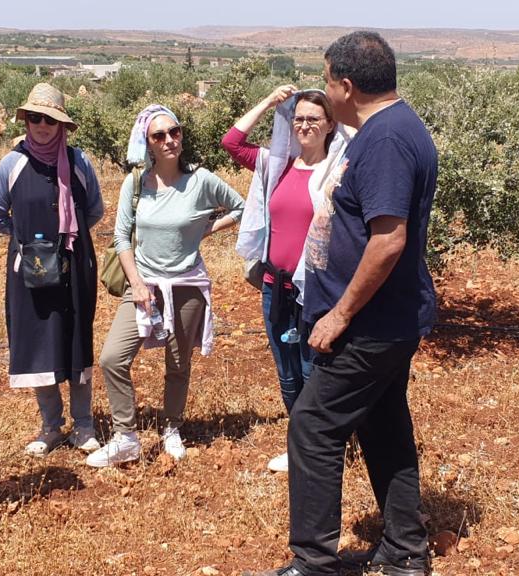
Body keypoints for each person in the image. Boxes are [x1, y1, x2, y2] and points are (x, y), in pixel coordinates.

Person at [246, 31, 438, 576]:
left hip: (371, 323)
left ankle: (313, 562)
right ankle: (404, 552)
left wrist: (341, 313)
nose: (325, 92)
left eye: (328, 80)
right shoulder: (395, 129)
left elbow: (388, 239)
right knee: (382, 426)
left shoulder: (385, 141)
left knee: (313, 425)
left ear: (347, 86)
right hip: (390, 316)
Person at [86, 104, 245, 467]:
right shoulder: (135, 183)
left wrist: (209, 228)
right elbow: (122, 237)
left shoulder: (201, 180)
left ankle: (171, 428)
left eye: (175, 132)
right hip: (145, 284)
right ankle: (125, 436)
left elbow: (240, 206)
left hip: (187, 284)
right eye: (160, 135)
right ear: (148, 142)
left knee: (178, 363)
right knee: (113, 357)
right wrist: (138, 285)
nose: (170, 140)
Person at [222, 85, 350, 473]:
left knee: (315, 370)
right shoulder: (275, 165)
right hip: (275, 287)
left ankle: (323, 446)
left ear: (330, 124)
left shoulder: (339, 168)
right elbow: (231, 142)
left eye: (314, 118)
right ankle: (301, 443)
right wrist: (268, 102)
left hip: (317, 290)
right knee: (288, 370)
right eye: (299, 118)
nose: (305, 125)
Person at [0, 83, 104, 457]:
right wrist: (25, 241)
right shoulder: (12, 163)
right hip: (31, 269)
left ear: (61, 124)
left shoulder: (79, 162)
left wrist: (69, 239)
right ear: (26, 120)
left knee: (76, 340)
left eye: (49, 119)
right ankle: (51, 426)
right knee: (40, 343)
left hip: (74, 265)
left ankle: (84, 426)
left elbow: (95, 210)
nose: (41, 125)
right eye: (34, 117)